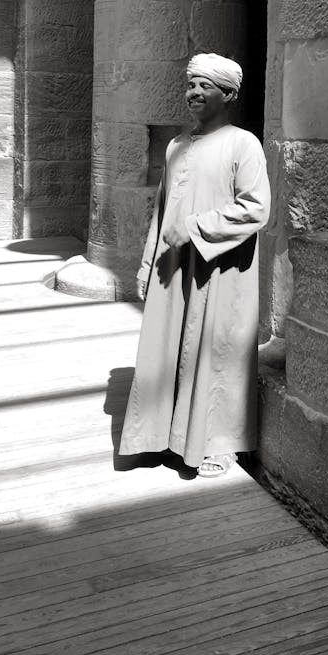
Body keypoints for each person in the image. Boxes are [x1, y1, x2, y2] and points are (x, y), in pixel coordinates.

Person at [118, 53, 271, 477]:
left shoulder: (244, 144)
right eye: (191, 85)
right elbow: (160, 211)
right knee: (165, 347)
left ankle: (219, 443)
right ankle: (161, 435)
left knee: (216, 349)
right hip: (173, 266)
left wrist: (197, 228)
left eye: (206, 86)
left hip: (219, 268)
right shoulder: (176, 146)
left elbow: (257, 209)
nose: (195, 93)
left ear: (229, 94)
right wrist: (147, 264)